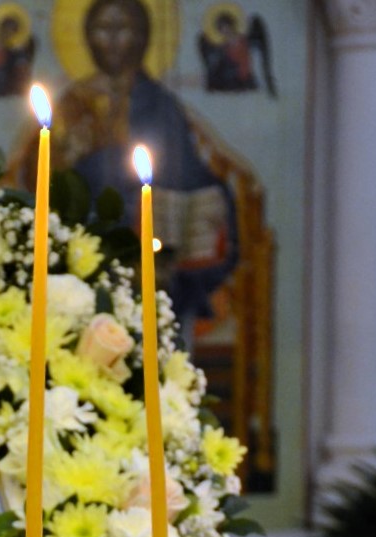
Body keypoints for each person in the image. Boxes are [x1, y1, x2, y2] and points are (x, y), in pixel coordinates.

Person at [16, 0, 238, 329]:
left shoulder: (159, 104)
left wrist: (209, 200)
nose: (112, 39)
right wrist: (73, 156)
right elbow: (37, 179)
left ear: (142, 37)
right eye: (102, 29)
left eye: (122, 28)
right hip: (83, 247)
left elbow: (185, 171)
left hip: (150, 244)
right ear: (87, 36)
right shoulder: (73, 102)